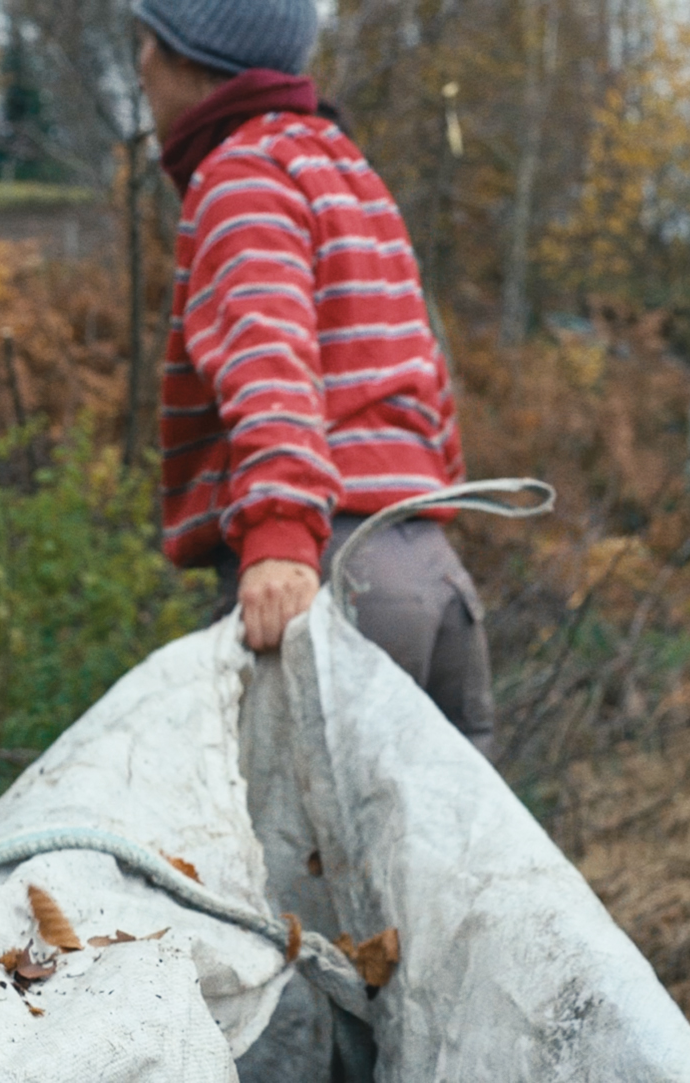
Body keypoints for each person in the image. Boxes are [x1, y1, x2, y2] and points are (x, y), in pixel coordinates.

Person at [136, 0, 498, 754]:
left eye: (147, 42)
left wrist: (275, 532)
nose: (138, 67)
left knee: (280, 868)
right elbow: (420, 356)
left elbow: (267, 353)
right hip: (430, 573)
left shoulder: (241, 174)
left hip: (332, 577)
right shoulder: (343, 168)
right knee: (444, 868)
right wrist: (425, 509)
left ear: (187, 56)